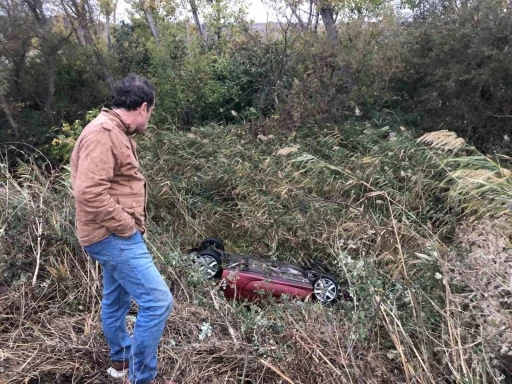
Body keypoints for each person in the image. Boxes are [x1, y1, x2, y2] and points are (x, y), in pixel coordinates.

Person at [70, 74, 176, 384]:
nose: (149, 119)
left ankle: (121, 361)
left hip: (109, 234)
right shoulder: (104, 134)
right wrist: (126, 226)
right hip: (111, 236)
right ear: (143, 107)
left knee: (116, 300)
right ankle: (142, 377)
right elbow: (88, 192)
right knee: (158, 301)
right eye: (151, 112)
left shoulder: (113, 130)